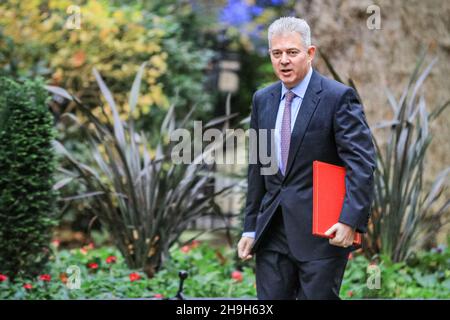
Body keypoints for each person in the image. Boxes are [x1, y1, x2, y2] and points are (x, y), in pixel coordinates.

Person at [237, 17, 376, 300]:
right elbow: (258, 167)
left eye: (292, 52)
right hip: (272, 233)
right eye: (277, 54)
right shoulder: (262, 99)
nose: (284, 61)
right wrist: (251, 227)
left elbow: (361, 164)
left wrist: (350, 221)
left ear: (310, 53)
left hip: (322, 235)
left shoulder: (338, 98)